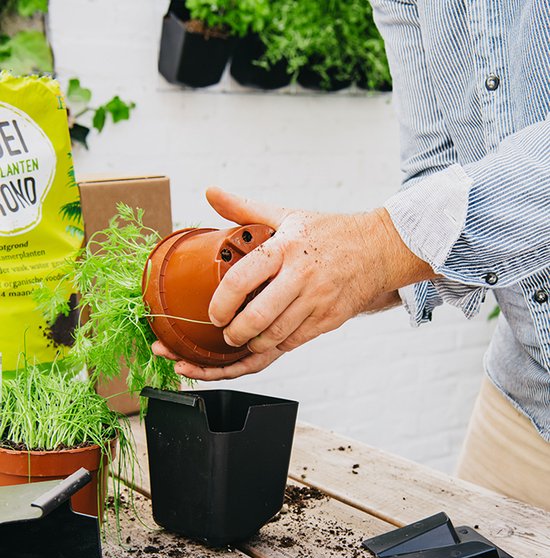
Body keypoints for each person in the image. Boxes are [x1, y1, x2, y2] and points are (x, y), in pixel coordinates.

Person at [153, 1, 550, 511]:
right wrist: (318, 289)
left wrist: (370, 250)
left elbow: (395, 240)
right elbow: (435, 170)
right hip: (524, 398)